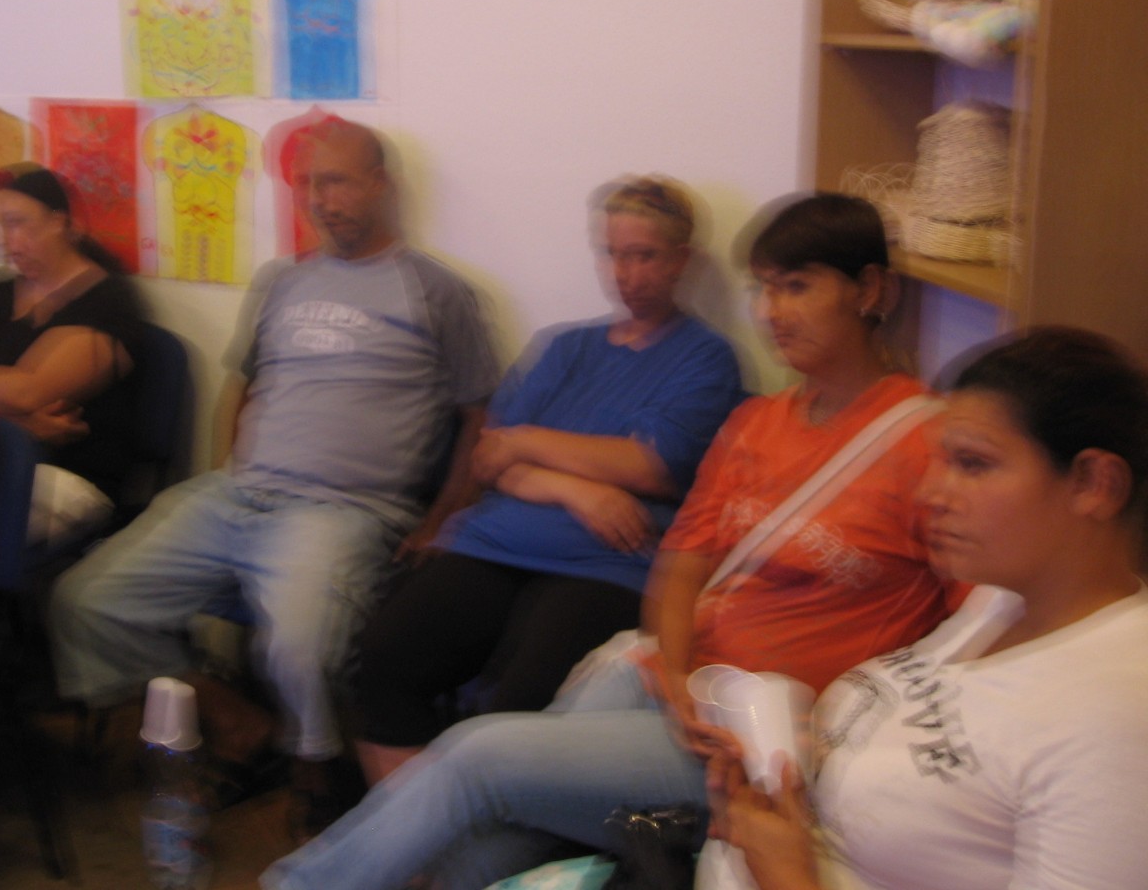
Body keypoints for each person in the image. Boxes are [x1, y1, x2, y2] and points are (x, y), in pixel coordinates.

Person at [262, 192, 960, 890]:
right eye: (764, 289)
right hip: (672, 678)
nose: (773, 312)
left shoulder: (928, 446)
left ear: (871, 290)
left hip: (757, 732)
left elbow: (967, 643)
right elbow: (682, 565)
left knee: (481, 757)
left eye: (798, 287)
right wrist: (678, 676)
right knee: (488, 840)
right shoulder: (758, 423)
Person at [49, 118, 498, 834]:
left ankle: (314, 766)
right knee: (88, 600)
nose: (320, 199)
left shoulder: (435, 290)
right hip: (238, 492)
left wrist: (444, 518)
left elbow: (480, 415)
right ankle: (238, 720)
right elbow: (240, 387)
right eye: (307, 184)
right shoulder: (282, 280)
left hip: (344, 508)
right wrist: (225, 474)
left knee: (299, 648)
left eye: (337, 182)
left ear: (380, 184)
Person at [709, 326, 1148, 890]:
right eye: (940, 460)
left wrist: (785, 874)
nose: (930, 494)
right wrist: (778, 791)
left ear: (1093, 484)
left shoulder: (1118, 720)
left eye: (973, 464)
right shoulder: (1001, 601)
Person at [353, 176, 743, 786]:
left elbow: (651, 465)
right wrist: (576, 488)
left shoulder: (705, 357)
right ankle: (410, 830)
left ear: (680, 261)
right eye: (613, 254)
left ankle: (465, 829)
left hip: (605, 563)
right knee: (381, 659)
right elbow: (488, 457)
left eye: (644, 256)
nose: (626, 274)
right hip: (495, 543)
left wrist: (525, 443)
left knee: (519, 709)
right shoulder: (565, 347)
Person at [0, 165, 146, 542]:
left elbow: (27, 391)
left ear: (58, 222)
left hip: (68, 476)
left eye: (14, 223)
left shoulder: (106, 301)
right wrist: (18, 425)